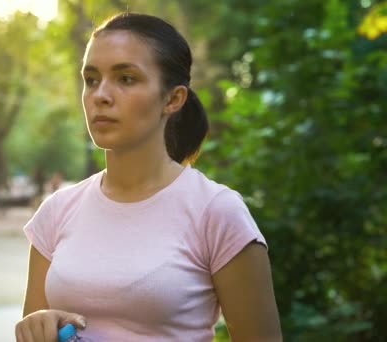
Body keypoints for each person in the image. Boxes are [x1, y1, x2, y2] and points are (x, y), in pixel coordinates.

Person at [15, 13, 282, 342]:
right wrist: (42, 327)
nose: (100, 95)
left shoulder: (216, 212)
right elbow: (34, 331)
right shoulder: (56, 211)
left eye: (125, 79)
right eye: (92, 79)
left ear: (173, 99)